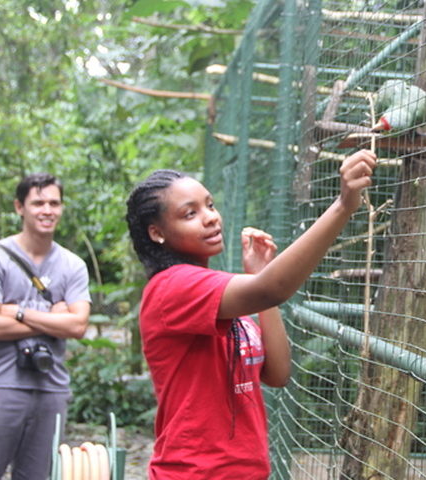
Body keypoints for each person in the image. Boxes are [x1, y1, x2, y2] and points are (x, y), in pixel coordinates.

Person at [125, 149, 376, 479]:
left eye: (210, 205)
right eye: (190, 214)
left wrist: (260, 277)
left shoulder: (217, 295)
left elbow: (277, 373)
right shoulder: (171, 288)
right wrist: (342, 206)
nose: (211, 217)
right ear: (157, 233)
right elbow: (271, 288)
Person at [0, 173, 92, 480]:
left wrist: (17, 313)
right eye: (38, 203)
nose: (47, 210)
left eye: (54, 203)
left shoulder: (72, 265)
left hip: (52, 388)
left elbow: (77, 326)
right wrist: (54, 318)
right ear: (20, 207)